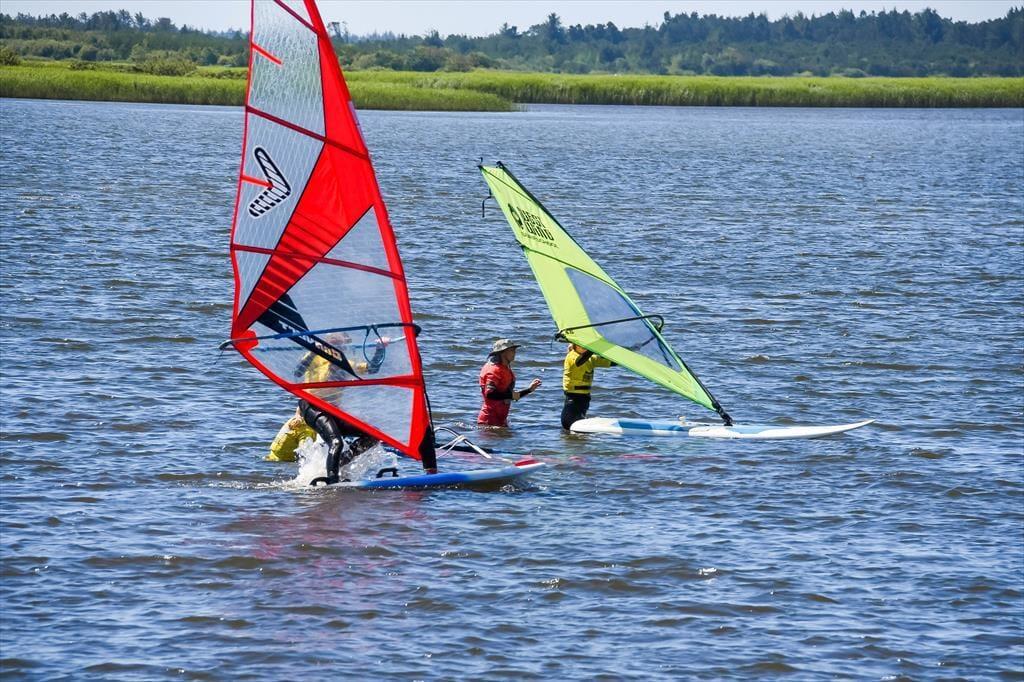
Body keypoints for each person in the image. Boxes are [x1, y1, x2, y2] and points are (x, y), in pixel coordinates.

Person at [291, 332, 385, 485]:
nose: (337, 347)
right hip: (312, 406)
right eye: (333, 343)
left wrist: (380, 348)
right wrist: (314, 350)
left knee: (374, 434)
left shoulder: (347, 364)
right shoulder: (315, 357)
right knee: (336, 442)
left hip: (333, 410)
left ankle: (340, 462)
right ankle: (332, 482)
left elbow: (372, 369)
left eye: (340, 344)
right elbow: (298, 371)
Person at [477, 338, 541, 427]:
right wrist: (512, 396)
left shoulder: (505, 368)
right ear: (502, 353)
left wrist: (529, 390)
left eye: (514, 350)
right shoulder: (493, 370)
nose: (514, 353)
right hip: (489, 421)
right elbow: (490, 394)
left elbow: (509, 395)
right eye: (511, 350)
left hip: (500, 420)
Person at [561, 343, 614, 430]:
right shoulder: (571, 356)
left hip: (584, 399)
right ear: (575, 346)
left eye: (586, 345)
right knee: (570, 428)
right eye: (581, 345)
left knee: (580, 433)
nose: (585, 347)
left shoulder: (591, 359)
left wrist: (627, 355)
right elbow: (579, 361)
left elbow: (611, 362)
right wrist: (592, 348)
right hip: (573, 400)